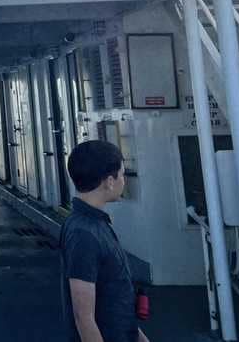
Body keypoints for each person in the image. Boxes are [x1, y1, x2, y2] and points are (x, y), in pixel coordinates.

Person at [60, 140, 149, 342]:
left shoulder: (94, 225)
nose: (123, 181)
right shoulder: (84, 234)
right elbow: (84, 317)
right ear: (109, 181)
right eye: (122, 174)